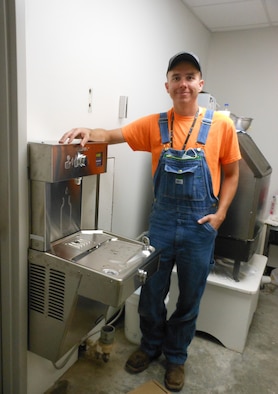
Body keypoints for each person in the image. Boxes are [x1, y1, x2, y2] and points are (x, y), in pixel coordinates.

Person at [59, 52, 241, 392]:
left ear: (200, 84)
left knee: (189, 299)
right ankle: (150, 345)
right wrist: (89, 130)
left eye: (190, 77)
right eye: (177, 77)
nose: (183, 83)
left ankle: (175, 358)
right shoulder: (155, 124)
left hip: (200, 227)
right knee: (151, 293)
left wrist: (221, 214)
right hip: (162, 223)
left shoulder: (221, 126)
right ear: (167, 85)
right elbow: (111, 135)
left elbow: (232, 174)